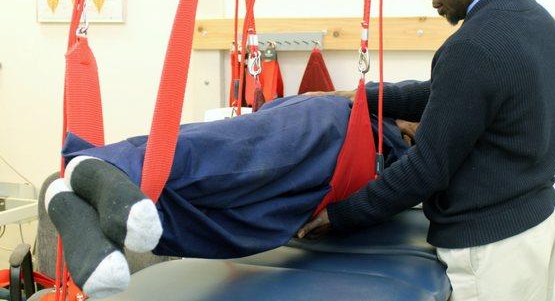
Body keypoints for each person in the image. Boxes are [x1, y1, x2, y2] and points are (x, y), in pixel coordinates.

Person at [299, 0, 555, 301]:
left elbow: (426, 169)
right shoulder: (535, 19)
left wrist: (338, 216)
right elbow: (447, 93)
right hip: (535, 225)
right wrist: (360, 97)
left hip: (491, 248)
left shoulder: (473, 45)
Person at [45, 93, 411, 298]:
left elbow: (418, 178)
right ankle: (110, 163)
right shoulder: (460, 74)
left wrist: (339, 216)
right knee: (228, 158)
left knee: (229, 226)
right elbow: (409, 102)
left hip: (328, 193)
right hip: (343, 134)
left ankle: (86, 210)